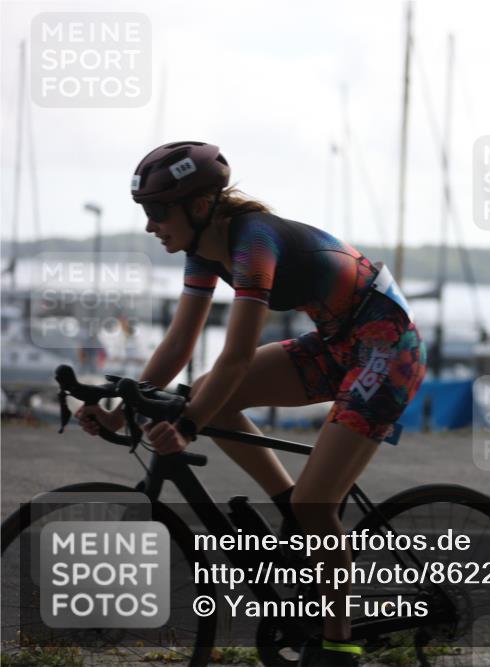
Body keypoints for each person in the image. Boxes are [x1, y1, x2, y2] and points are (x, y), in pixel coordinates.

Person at [76, 141, 427, 667]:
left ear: (199, 205)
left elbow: (237, 356)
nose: (150, 225)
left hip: (387, 345)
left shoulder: (253, 242)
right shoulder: (202, 250)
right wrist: (120, 407)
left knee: (315, 504)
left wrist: (188, 427)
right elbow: (178, 345)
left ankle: (339, 642)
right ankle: (288, 502)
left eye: (156, 211)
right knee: (209, 399)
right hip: (337, 341)